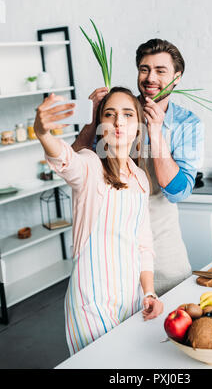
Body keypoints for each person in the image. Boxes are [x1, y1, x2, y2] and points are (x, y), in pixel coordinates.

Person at [34, 87, 164, 356]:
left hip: (130, 299)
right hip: (91, 302)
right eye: (110, 114)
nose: (119, 122)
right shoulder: (90, 165)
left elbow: (143, 243)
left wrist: (149, 292)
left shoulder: (140, 177)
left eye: (128, 114)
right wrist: (42, 132)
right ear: (100, 125)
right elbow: (65, 160)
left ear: (138, 127)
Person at [72, 39, 204, 296]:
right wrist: (92, 120)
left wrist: (156, 132)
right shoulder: (118, 113)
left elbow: (178, 192)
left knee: (172, 311)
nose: (150, 77)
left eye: (160, 70)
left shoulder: (187, 124)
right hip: (113, 243)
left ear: (177, 77)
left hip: (161, 242)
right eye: (144, 69)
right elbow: (77, 165)